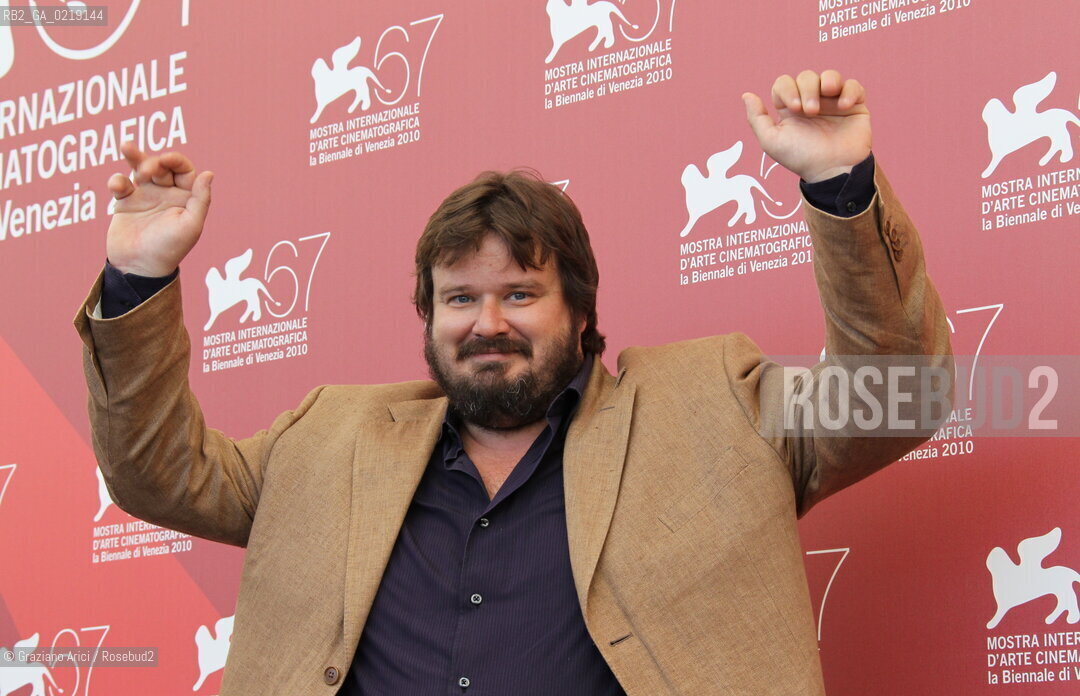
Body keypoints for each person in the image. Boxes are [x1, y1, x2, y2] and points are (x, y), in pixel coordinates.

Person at [76, 70, 952, 695]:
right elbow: (155, 471)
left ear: (580, 311)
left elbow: (900, 394)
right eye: (459, 297)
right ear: (428, 315)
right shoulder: (325, 436)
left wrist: (840, 187)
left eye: (520, 293)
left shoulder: (717, 405)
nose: (486, 323)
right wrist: (139, 281)